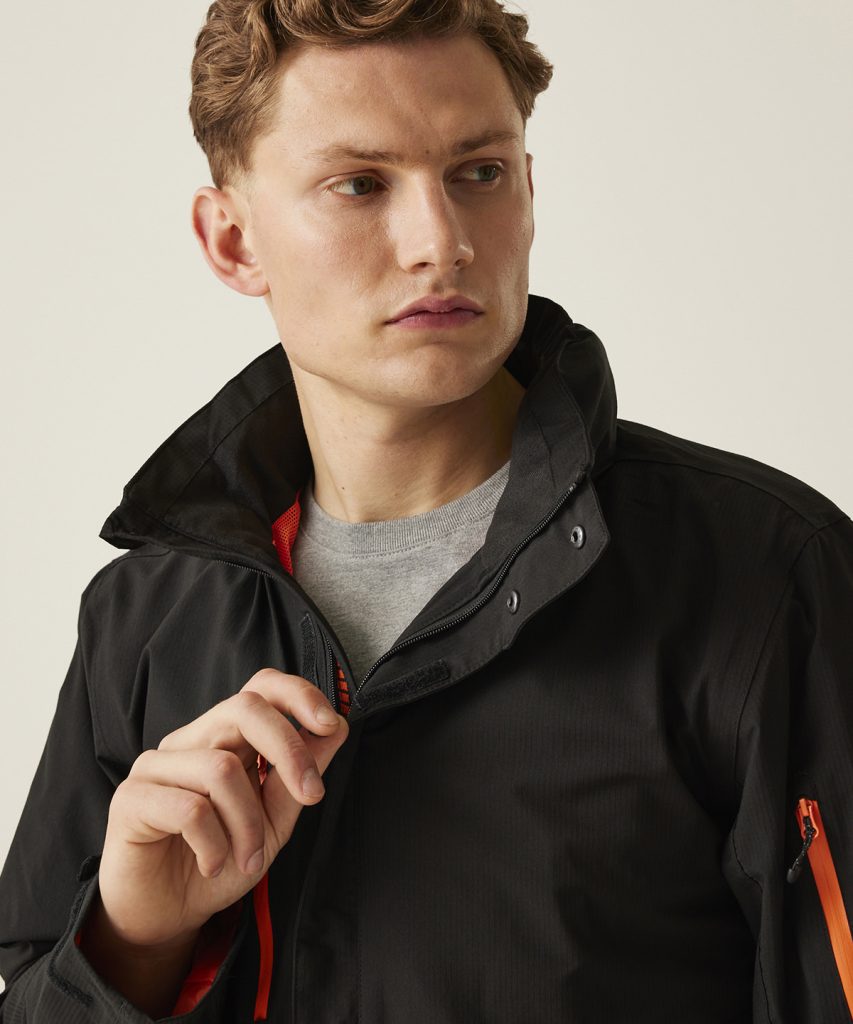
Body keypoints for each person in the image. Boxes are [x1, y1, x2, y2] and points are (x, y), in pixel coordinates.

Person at [1, 0, 852, 1020]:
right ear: (233, 242)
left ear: (529, 190)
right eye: (360, 183)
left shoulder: (763, 575)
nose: (440, 242)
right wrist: (132, 942)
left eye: (477, 172)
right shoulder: (143, 618)